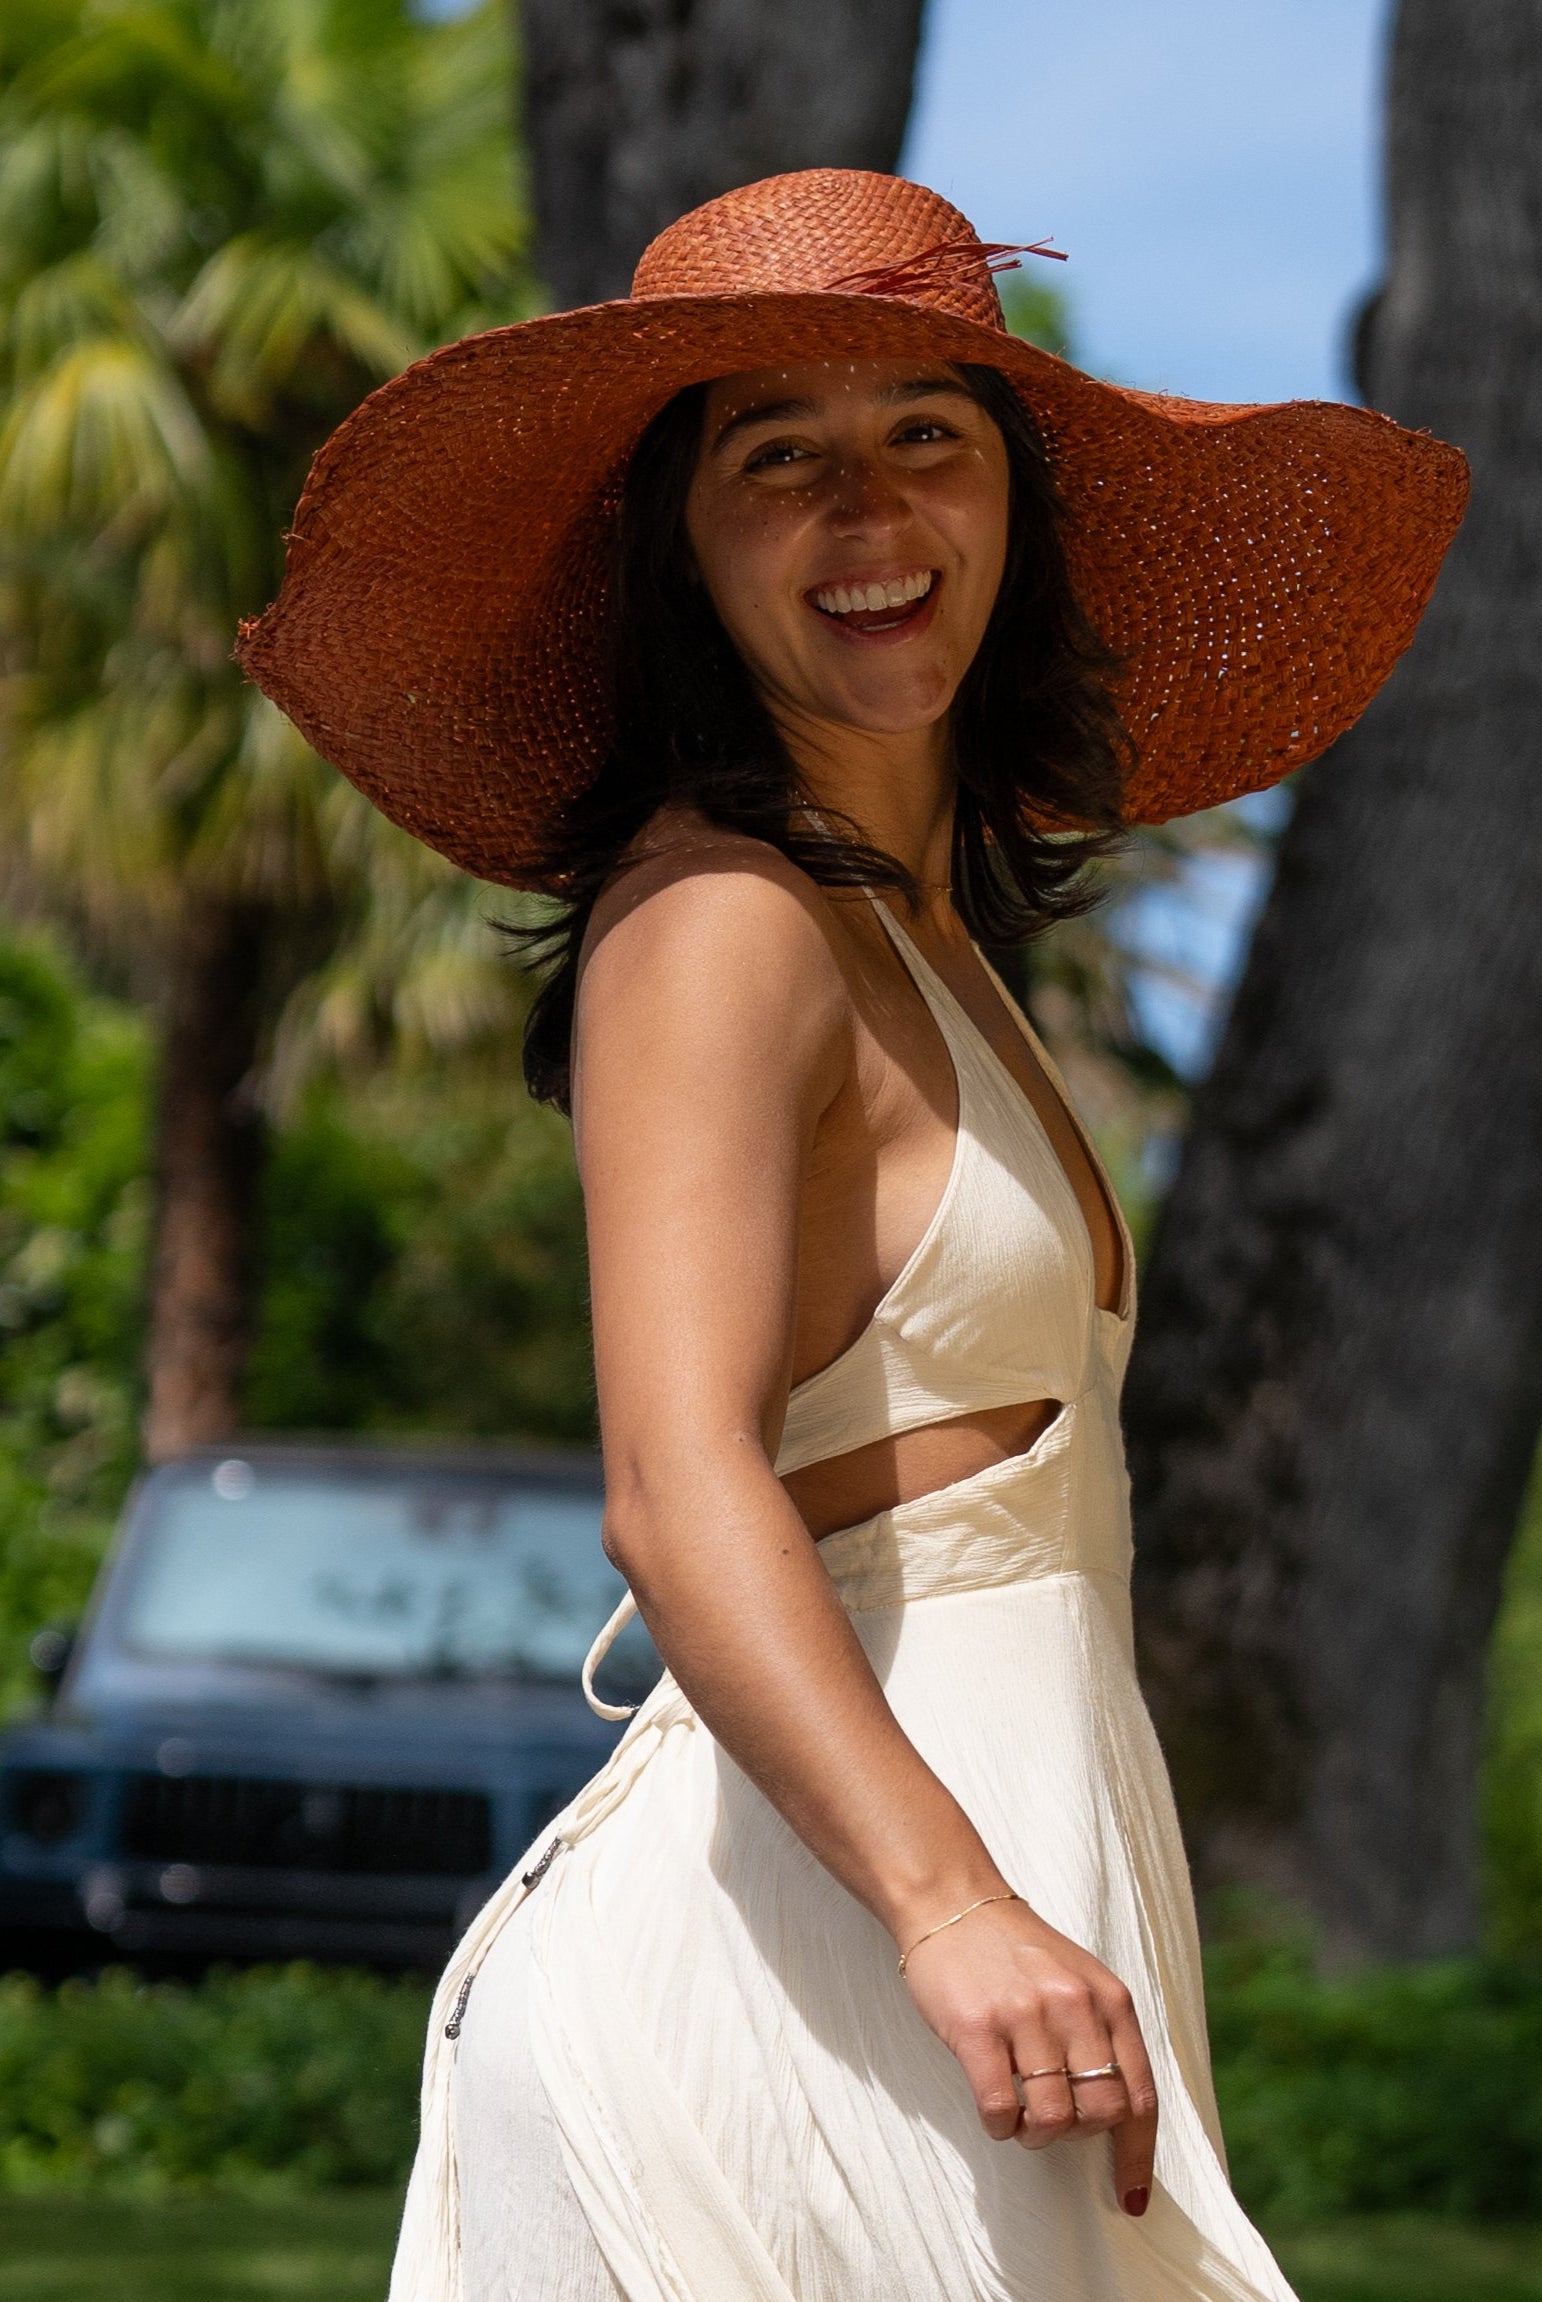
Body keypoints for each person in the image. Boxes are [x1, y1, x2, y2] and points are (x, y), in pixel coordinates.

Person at [240, 169, 1466, 2302]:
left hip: (979, 1930)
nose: (867, 509)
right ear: (680, 549)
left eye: (929, 432)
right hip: (803, 1974)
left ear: (1013, 501)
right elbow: (673, 1472)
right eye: (776, 455)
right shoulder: (720, 921)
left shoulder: (915, 937)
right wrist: (948, 1899)